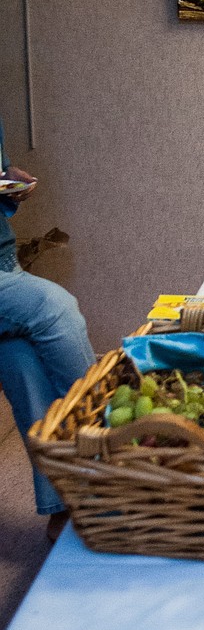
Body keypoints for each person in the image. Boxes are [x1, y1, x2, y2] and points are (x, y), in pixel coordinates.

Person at [0, 118, 95, 531]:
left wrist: (8, 179)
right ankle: (107, 451)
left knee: (23, 366)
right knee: (56, 308)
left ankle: (65, 505)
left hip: (5, 261)